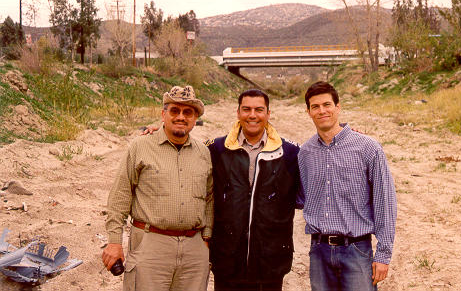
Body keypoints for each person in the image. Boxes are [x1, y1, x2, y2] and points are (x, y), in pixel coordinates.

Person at [102, 85, 213, 291]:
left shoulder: (204, 153)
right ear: (163, 114)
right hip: (150, 244)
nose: (181, 116)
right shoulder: (140, 147)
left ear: (195, 118)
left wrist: (206, 237)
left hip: (194, 250)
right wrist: (114, 241)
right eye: (174, 111)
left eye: (188, 112)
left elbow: (209, 198)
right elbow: (120, 195)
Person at [298, 81, 397, 291]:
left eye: (327, 104)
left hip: (357, 250)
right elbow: (302, 197)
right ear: (308, 112)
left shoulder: (368, 148)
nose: (322, 111)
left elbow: (384, 203)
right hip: (319, 251)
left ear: (338, 107)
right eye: (315, 107)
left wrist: (383, 255)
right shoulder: (305, 153)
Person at [206, 89, 300, 291]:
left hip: (271, 261)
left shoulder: (290, 153)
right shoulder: (216, 149)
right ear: (238, 112)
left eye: (259, 110)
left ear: (268, 113)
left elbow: (320, 157)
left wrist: (344, 132)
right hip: (227, 260)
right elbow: (185, 148)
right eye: (246, 109)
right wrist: (157, 131)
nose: (252, 115)